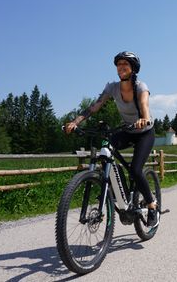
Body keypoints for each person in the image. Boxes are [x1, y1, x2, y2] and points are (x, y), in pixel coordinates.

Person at [64, 51, 159, 228]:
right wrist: (75, 122)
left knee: (136, 170)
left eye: (125, 64)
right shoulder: (112, 88)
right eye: (118, 64)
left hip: (144, 131)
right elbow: (95, 106)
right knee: (105, 149)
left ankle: (152, 205)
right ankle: (118, 192)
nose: (121, 67)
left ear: (133, 69)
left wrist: (143, 119)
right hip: (127, 130)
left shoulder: (140, 87)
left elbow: (144, 106)